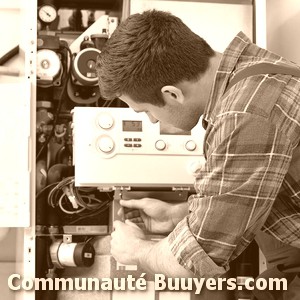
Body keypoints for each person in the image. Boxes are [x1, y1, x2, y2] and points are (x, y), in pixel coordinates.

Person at [96, 9, 300, 299]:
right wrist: (179, 215)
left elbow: (197, 259)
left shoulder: (245, 115)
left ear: (172, 94)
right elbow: (249, 193)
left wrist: (137, 250)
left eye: (145, 111)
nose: (152, 121)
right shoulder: (254, 70)